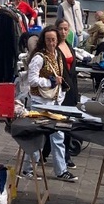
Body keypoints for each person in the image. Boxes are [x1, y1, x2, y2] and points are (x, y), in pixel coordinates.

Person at [24, 26, 78, 183]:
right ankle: (28, 168)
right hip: (40, 103)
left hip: (55, 102)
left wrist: (60, 95)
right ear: (43, 40)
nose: (51, 43)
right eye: (48, 40)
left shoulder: (58, 55)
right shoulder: (39, 57)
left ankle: (61, 170)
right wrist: (50, 82)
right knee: (37, 137)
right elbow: (32, 80)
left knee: (58, 136)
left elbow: (61, 78)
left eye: (53, 40)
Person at [55, 19, 81, 170]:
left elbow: (74, 71)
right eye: (61, 29)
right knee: (59, 123)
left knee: (69, 123)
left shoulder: (69, 46)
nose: (63, 32)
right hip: (60, 90)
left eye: (66, 29)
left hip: (71, 90)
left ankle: (67, 154)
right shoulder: (54, 47)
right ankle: (61, 155)